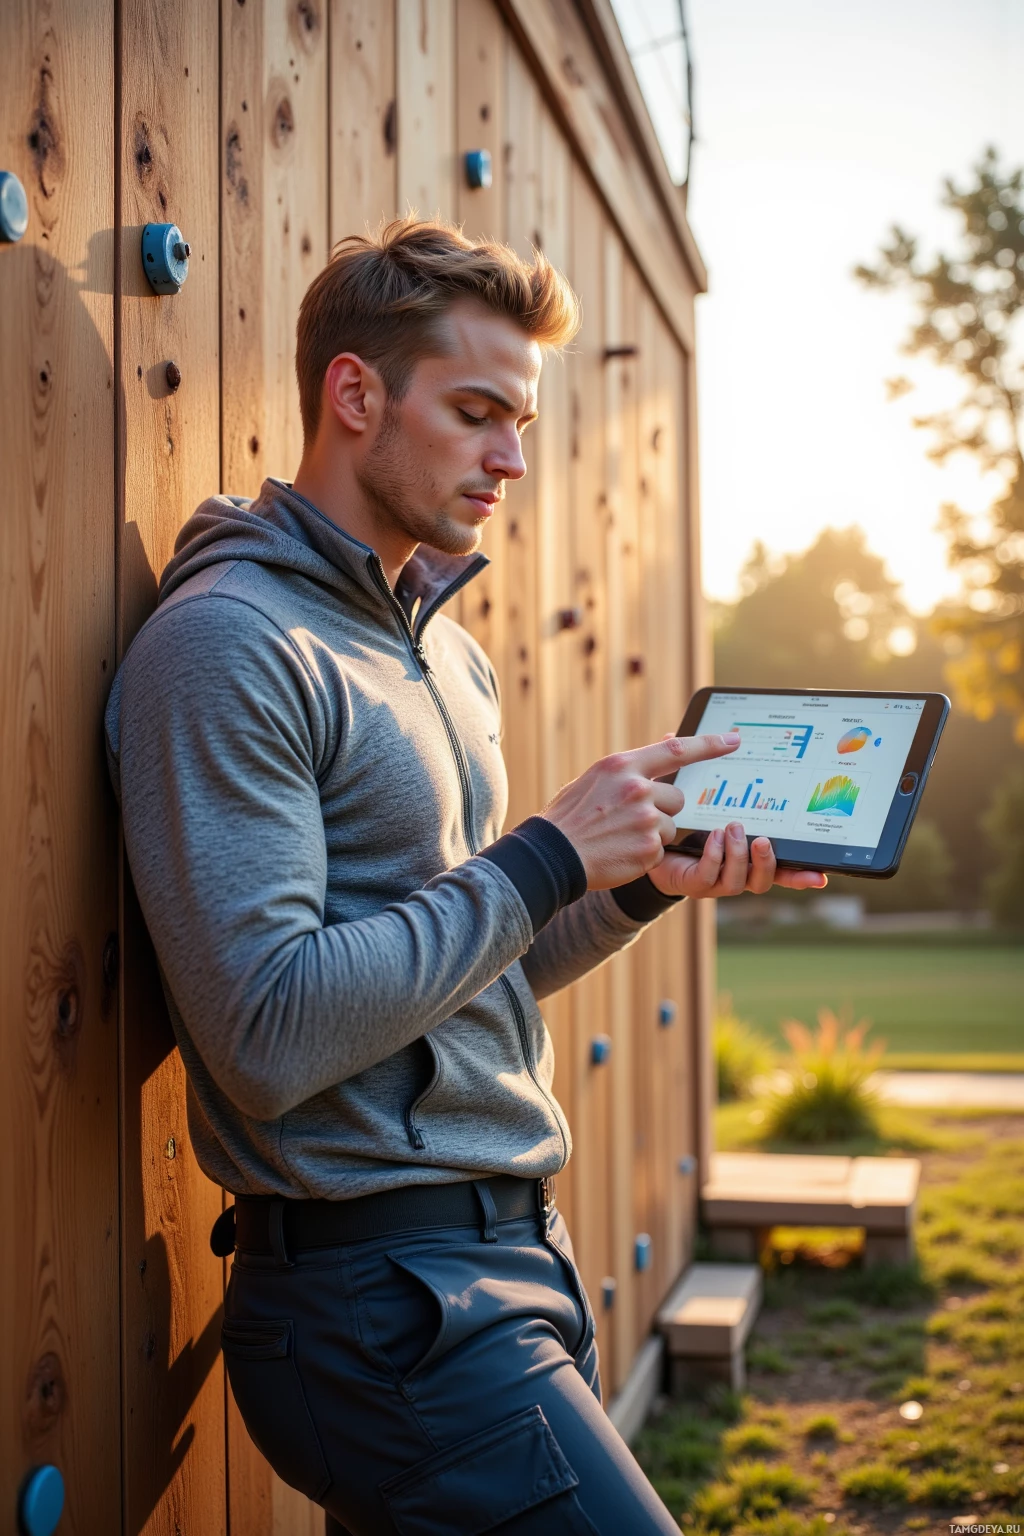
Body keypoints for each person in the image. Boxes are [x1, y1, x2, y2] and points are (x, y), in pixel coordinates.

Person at [105, 218, 825, 1535]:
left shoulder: (447, 656)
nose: (512, 458)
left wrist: (635, 879)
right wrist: (545, 851)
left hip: (510, 1261)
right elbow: (265, 1034)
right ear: (355, 393)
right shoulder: (229, 646)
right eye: (479, 410)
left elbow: (469, 969)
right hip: (381, 1301)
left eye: (525, 420)